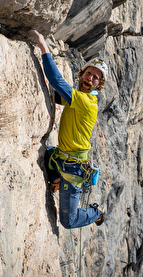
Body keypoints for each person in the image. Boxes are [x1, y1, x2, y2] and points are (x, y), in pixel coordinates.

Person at [29, 29, 106, 229]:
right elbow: (56, 94)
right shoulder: (76, 98)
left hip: (74, 169)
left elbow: (56, 82)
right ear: (82, 74)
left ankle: (96, 212)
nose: (90, 78)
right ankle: (55, 179)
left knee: (68, 221)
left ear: (99, 85)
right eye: (89, 73)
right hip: (60, 157)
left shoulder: (87, 101)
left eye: (96, 77)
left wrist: (43, 47)